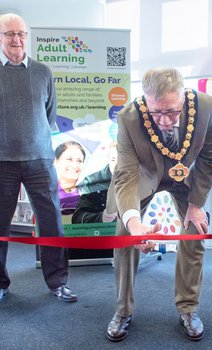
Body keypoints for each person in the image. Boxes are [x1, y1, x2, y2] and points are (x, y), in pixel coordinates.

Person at [105, 67, 212, 342]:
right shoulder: (128, 118)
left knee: (195, 231)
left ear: (183, 96)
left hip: (184, 180)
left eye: (172, 111)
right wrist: (135, 225)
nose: (165, 121)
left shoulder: (204, 106)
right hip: (143, 176)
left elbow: (209, 157)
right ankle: (123, 310)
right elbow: (126, 174)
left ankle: (188, 309)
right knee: (124, 236)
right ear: (145, 100)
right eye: (156, 113)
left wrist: (196, 204)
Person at [0, 13, 77, 302]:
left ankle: (58, 282)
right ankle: (0, 284)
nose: (16, 39)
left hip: (41, 160)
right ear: (0, 37)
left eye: (20, 33)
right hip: (2, 162)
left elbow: (50, 114)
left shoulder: (43, 72)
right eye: (9, 34)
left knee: (52, 222)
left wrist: (34, 139)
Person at [71, 142, 117, 259]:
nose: (117, 165)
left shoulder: (144, 179)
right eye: (113, 159)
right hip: (102, 249)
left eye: (123, 159)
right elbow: (77, 218)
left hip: (134, 245)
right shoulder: (94, 183)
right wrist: (101, 217)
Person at [54, 140, 86, 214]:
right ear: (56, 161)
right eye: (69, 159)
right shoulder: (47, 190)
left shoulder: (89, 190)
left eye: (79, 161)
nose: (74, 165)